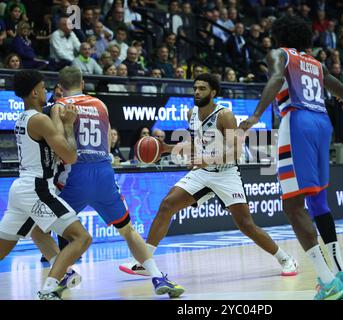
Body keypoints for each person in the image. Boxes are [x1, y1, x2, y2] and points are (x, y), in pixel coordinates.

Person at [119, 73, 298, 290]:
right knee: (167, 205)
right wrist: (166, 149)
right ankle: (145, 261)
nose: (196, 92)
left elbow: (236, 152)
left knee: (246, 225)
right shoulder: (191, 113)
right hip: (203, 171)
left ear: (213, 92)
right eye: (195, 88)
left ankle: (285, 258)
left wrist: (207, 159)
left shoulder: (225, 116)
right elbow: (197, 143)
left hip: (226, 173)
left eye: (202, 88)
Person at [239, 16, 343, 300]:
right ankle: (340, 272)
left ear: (279, 36)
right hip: (322, 122)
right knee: (317, 201)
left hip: (297, 121)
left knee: (292, 204)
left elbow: (278, 77)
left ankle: (327, 281)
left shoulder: (280, 54)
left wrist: (255, 115)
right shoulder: (317, 63)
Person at [48, 67, 183, 298]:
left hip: (75, 174)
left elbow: (60, 145)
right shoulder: (100, 105)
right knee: (128, 230)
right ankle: (157, 276)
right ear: (83, 83)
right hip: (103, 171)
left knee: (47, 227)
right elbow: (107, 141)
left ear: (59, 87)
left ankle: (62, 275)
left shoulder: (59, 106)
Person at [0, 70, 92, 300]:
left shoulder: (24, 117)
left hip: (22, 189)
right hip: (37, 189)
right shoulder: (40, 120)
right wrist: (69, 124)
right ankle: (49, 289)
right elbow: (70, 156)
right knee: (81, 238)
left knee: (37, 233)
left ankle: (64, 272)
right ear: (34, 92)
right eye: (43, 88)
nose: (47, 91)